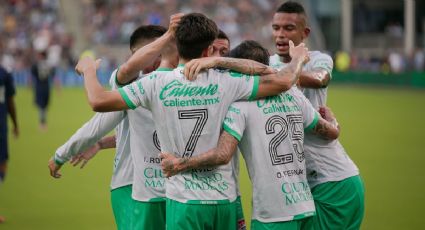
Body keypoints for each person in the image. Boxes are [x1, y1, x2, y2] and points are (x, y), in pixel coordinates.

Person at [74, 13, 309, 230]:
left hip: (184, 201)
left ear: (176, 46)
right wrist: (222, 62)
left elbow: (98, 100)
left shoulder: (155, 83)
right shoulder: (227, 81)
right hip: (223, 200)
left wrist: (88, 71)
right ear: (209, 49)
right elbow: (282, 79)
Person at [159, 40, 340, 230]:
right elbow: (331, 131)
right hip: (305, 206)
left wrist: (180, 163)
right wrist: (334, 121)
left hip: (273, 214)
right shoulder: (294, 95)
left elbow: (222, 154)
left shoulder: (240, 105)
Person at [48, 24, 171, 230]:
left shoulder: (165, 85)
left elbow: (146, 132)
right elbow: (100, 123)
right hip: (133, 184)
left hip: (165, 185)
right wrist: (66, 152)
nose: (166, 59)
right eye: (159, 52)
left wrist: (72, 151)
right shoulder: (133, 85)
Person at [269, 2, 364, 229]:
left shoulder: (320, 58)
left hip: (333, 179)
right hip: (300, 182)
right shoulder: (268, 63)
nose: (281, 35)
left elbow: (320, 78)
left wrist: (293, 65)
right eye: (276, 28)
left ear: (305, 32)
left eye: (289, 28)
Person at [0, 65, 19, 223]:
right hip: (1, 127)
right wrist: (15, 124)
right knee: (2, 164)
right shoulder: (4, 73)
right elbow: (10, 101)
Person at [31, 51, 55, 131]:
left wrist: (29, 84)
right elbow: (53, 75)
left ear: (41, 55)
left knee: (41, 106)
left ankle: (42, 123)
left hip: (39, 87)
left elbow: (32, 75)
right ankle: (43, 123)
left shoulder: (36, 65)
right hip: (46, 86)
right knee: (44, 106)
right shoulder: (49, 65)